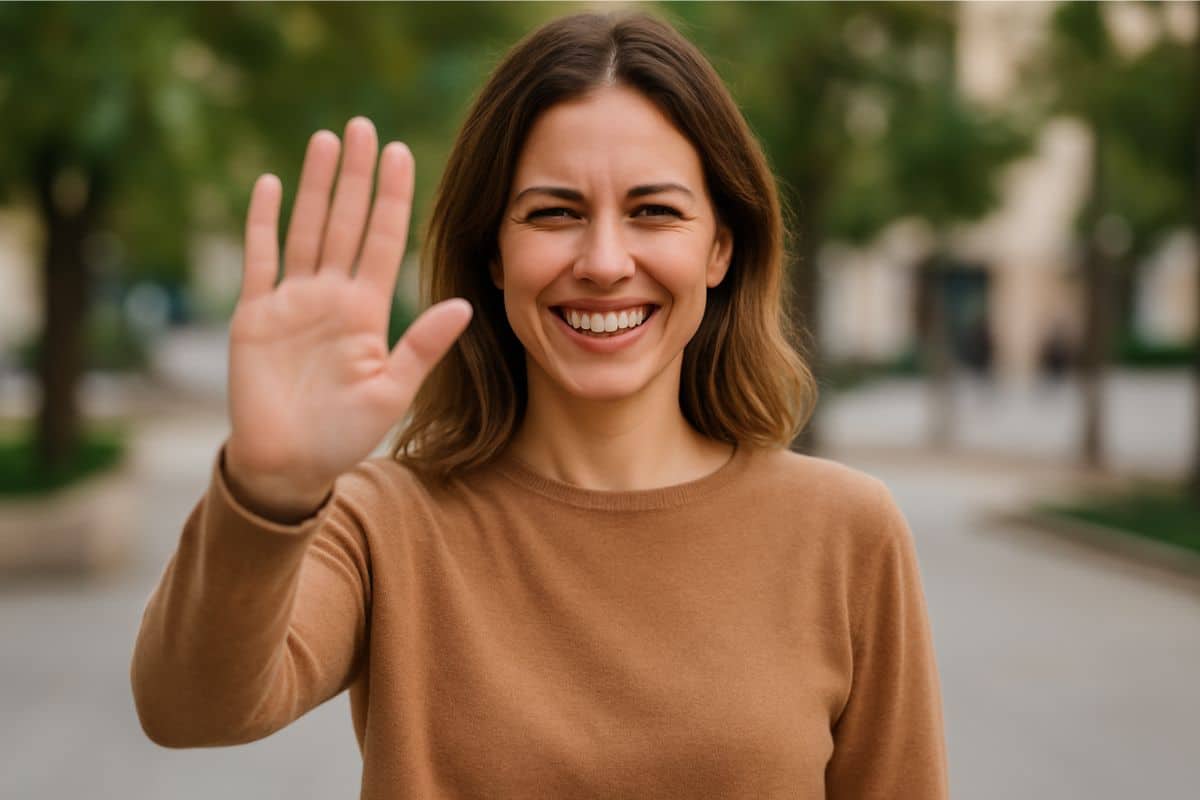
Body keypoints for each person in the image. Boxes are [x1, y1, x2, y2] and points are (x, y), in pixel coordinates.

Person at [131, 11, 948, 799]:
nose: (602, 261)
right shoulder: (382, 523)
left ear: (720, 248)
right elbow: (191, 710)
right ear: (494, 252)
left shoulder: (845, 531)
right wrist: (267, 487)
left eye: (653, 211)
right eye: (554, 213)